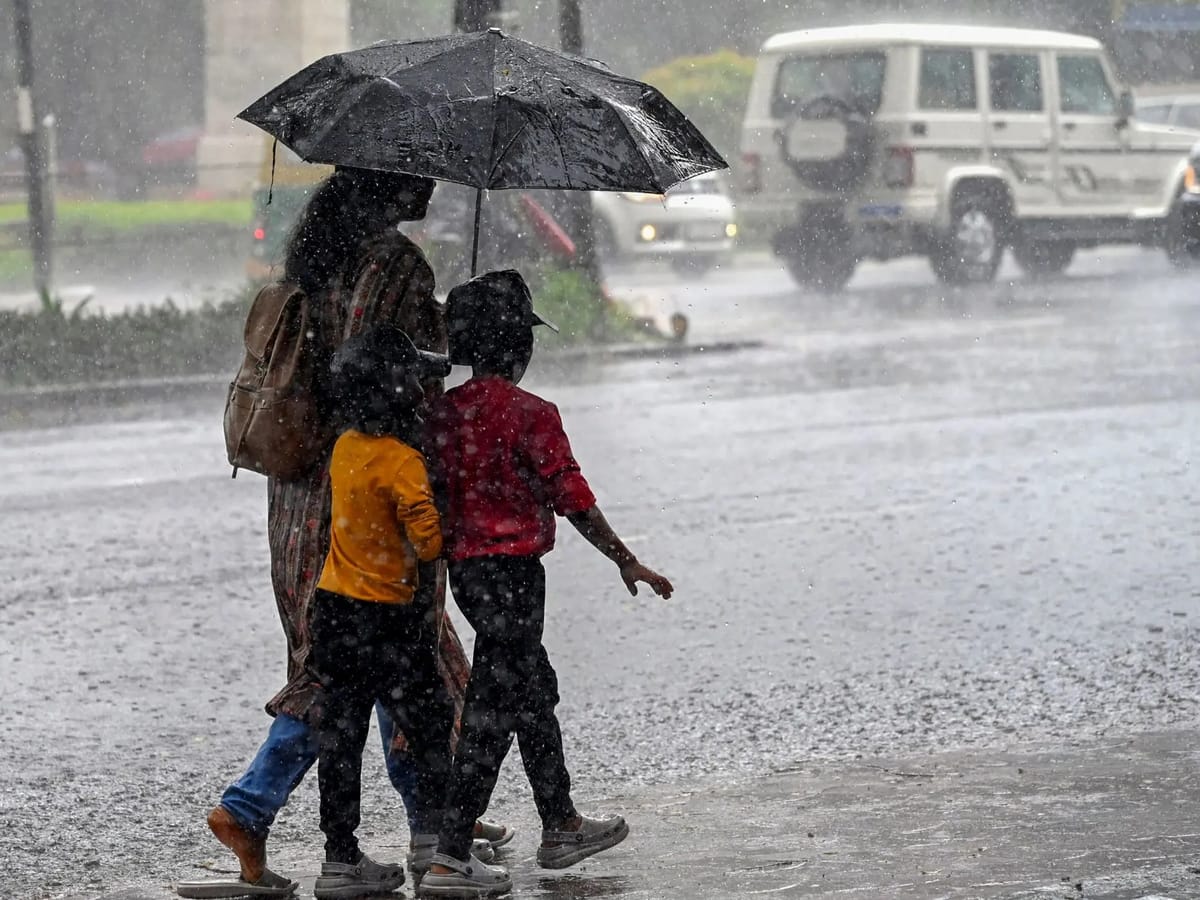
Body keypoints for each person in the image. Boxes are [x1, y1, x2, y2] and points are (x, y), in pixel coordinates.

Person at [205, 168, 509, 894]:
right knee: (369, 668)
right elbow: (379, 375)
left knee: (389, 664)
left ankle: (432, 823)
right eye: (421, 170)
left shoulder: (317, 254)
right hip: (369, 497)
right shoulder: (395, 262)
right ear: (389, 181)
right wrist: (447, 341)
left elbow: (338, 361)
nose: (434, 183)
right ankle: (255, 808)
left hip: (302, 493)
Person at [418, 270, 675, 898]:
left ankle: (559, 823)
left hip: (468, 577)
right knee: (493, 707)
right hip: (515, 576)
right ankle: (452, 855)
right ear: (519, 347)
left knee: (532, 687)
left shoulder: (439, 415)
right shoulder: (533, 414)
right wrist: (624, 558)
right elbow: (571, 496)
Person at [306, 324, 453, 899]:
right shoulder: (402, 463)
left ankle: (339, 859)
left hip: (333, 612)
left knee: (341, 740)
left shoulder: (345, 447)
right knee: (429, 727)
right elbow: (429, 546)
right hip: (388, 621)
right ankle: (438, 844)